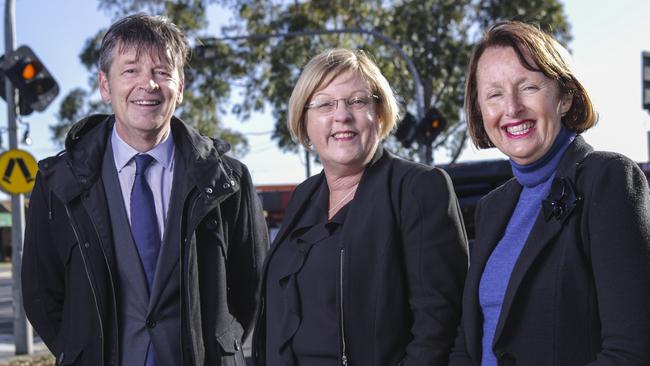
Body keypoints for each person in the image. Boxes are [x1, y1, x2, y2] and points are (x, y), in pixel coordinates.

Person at [21, 14, 268, 366]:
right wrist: (82, 350)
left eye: (162, 72)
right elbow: (41, 294)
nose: (147, 84)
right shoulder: (57, 183)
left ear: (180, 86)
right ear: (105, 85)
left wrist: (218, 350)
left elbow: (251, 290)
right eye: (131, 70)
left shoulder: (229, 180)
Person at [449, 21, 650, 366]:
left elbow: (631, 351)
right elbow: (467, 345)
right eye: (494, 94)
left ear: (564, 96)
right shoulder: (491, 207)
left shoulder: (609, 179)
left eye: (528, 87)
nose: (512, 108)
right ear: (480, 111)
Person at [252, 48, 469, 365]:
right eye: (325, 104)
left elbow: (439, 327)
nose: (342, 115)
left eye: (357, 101)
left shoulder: (418, 188)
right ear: (305, 121)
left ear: (379, 115)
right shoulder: (304, 196)